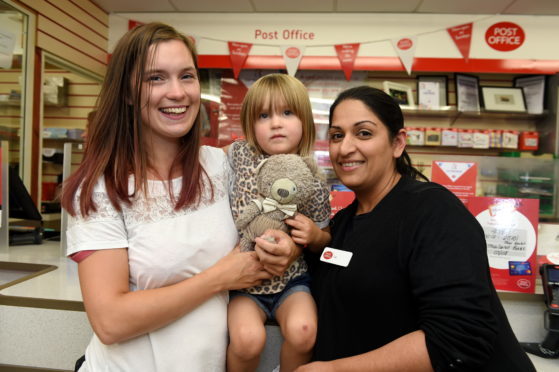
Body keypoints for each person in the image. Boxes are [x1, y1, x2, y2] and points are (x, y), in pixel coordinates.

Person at [61, 23, 298, 372]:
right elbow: (110, 322)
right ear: (126, 92)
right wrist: (221, 277)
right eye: (155, 78)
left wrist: (284, 250)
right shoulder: (102, 188)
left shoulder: (223, 165)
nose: (178, 92)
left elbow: (268, 224)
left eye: (187, 76)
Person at [293, 86, 536, 371]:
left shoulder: (434, 211)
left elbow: (458, 339)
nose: (345, 148)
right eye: (337, 135)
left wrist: (334, 369)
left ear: (398, 143)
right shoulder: (343, 222)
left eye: (364, 133)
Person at [226, 73, 331, 371]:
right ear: (250, 125)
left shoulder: (313, 177)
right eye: (263, 115)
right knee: (246, 340)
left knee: (304, 332)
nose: (275, 123)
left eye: (287, 113)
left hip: (292, 283)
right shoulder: (238, 156)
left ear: (305, 122)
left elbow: (327, 237)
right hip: (244, 283)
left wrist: (313, 236)